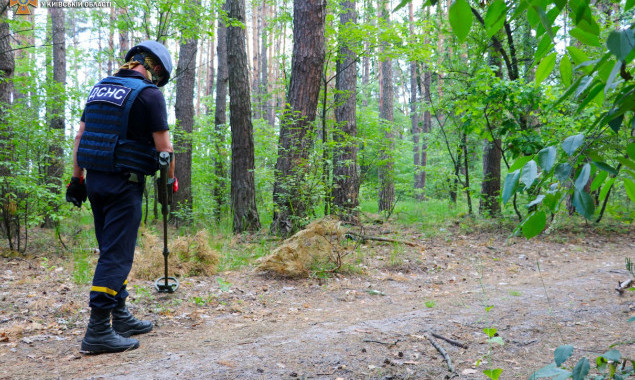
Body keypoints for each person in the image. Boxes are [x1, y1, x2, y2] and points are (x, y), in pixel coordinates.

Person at [65, 40, 176, 354]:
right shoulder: (150, 95)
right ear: (154, 67)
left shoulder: (100, 89)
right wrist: (170, 185)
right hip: (124, 185)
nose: (157, 81)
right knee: (117, 256)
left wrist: (77, 180)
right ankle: (98, 330)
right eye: (159, 75)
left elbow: (81, 135)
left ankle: (120, 316)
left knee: (110, 250)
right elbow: (164, 150)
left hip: (95, 183)